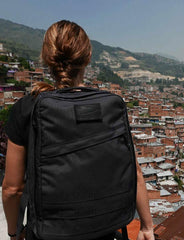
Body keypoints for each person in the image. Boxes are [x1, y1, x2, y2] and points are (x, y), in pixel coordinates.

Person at [2, 20, 154, 240]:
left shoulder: (27, 108)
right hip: (105, 231)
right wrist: (147, 227)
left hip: (49, 234)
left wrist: (13, 233)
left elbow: (12, 189)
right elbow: (136, 173)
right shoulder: (108, 106)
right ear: (89, 57)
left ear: (46, 58)